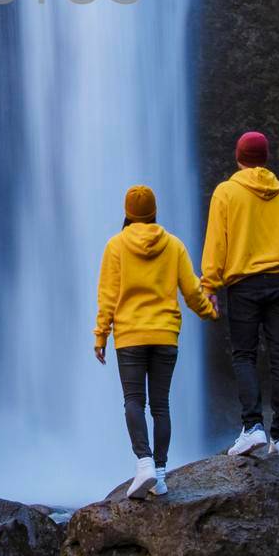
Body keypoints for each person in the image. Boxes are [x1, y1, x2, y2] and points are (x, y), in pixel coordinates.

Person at [94, 184, 218, 499]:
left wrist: (101, 335)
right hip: (165, 336)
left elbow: (108, 296)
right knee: (161, 405)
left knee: (134, 401)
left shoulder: (115, 246)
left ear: (127, 213)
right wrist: (209, 313)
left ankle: (144, 462)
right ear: (153, 212)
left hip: (130, 337)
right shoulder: (173, 245)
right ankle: (160, 475)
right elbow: (191, 290)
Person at [201, 131, 279, 459]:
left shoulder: (226, 193)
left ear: (238, 157)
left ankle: (252, 427)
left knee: (244, 354)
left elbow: (217, 242)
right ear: (266, 158)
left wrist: (209, 286)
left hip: (243, 285)